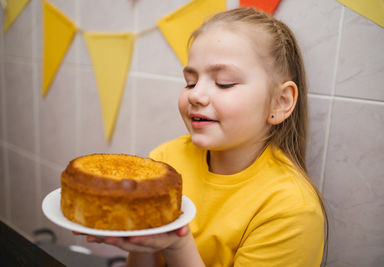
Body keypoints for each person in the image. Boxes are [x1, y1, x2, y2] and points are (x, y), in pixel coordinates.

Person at [80, 7, 327, 267]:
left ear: (280, 102)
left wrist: (177, 243)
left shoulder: (290, 210)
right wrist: (140, 239)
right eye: (190, 82)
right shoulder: (164, 162)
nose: (195, 95)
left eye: (224, 83)